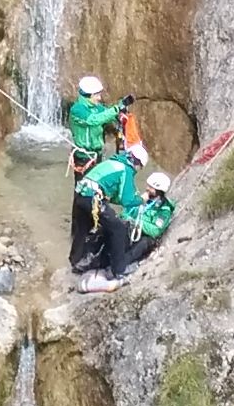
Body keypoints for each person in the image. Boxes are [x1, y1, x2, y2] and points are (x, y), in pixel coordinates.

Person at [70, 141, 149, 292]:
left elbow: (113, 195)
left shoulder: (113, 163)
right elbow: (127, 200)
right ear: (137, 163)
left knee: (83, 228)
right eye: (140, 167)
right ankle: (119, 269)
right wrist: (141, 199)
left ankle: (76, 262)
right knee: (118, 228)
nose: (138, 170)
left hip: (81, 194)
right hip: (93, 198)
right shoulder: (126, 170)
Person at [68, 76, 133, 176]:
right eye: (97, 95)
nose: (99, 98)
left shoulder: (97, 108)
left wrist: (119, 114)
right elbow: (94, 120)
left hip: (97, 155)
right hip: (83, 157)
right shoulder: (77, 110)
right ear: (88, 96)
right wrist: (116, 109)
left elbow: (107, 114)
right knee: (84, 189)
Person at [119, 172, 176, 270]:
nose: (147, 189)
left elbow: (155, 230)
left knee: (144, 243)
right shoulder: (144, 200)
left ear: (159, 191)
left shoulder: (164, 210)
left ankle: (122, 264)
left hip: (146, 236)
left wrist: (137, 222)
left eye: (151, 187)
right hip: (132, 229)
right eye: (148, 186)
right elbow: (126, 212)